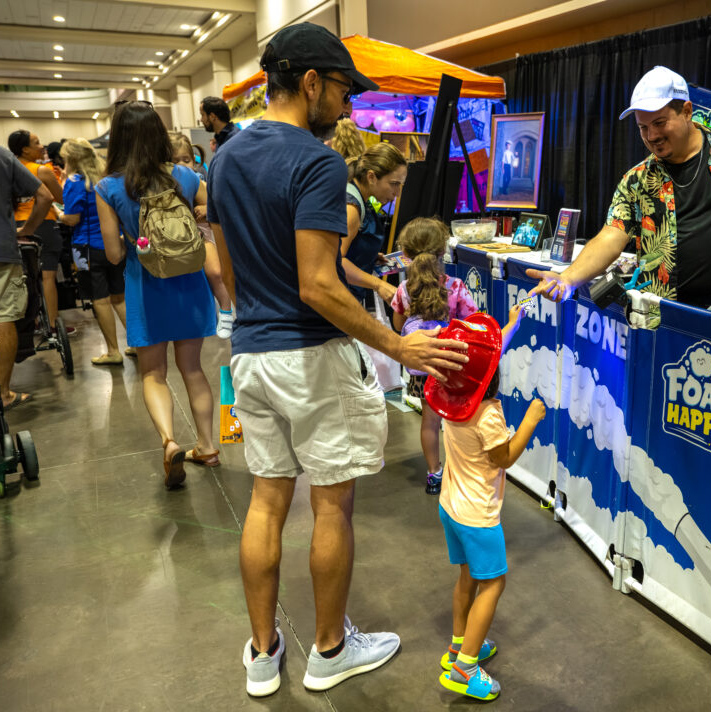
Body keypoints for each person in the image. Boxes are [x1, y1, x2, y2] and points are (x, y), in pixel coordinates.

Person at [204, 22, 469, 698]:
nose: (350, 108)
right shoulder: (318, 163)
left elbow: (223, 265)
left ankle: (264, 655)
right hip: (311, 356)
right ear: (311, 82)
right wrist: (399, 344)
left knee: (266, 500)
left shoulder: (226, 156)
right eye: (345, 90)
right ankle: (328, 648)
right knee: (331, 507)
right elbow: (319, 282)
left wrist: (250, 313)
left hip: (253, 354)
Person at [526, 66, 711, 325]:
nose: (652, 135)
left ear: (687, 111)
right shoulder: (637, 180)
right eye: (643, 128)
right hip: (667, 317)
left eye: (659, 122)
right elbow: (611, 236)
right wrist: (568, 279)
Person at [96, 101, 220, 488]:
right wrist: (198, 217)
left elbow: (115, 255)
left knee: (153, 372)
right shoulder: (184, 175)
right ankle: (207, 445)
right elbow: (212, 209)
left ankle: (169, 441)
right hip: (189, 282)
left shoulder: (109, 187)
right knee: (194, 369)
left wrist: (133, 235)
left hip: (145, 285)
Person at [428, 313, 543, 702]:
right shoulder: (489, 414)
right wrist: (530, 420)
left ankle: (458, 646)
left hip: (451, 507)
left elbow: (479, 358)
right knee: (494, 583)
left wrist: (509, 324)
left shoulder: (452, 400)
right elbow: (505, 457)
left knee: (467, 578)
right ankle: (466, 667)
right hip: (478, 516)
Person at [390, 218, 480, 494]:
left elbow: (397, 325)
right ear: (443, 253)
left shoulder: (404, 290)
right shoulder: (455, 288)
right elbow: (473, 322)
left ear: (406, 255)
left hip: (421, 369)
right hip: (451, 365)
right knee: (457, 420)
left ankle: (434, 474)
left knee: (429, 421)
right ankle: (462, 472)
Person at [0, 139, 53, 408]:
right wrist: (27, 230)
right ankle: (2, 393)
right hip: (0, 247)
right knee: (2, 315)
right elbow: (46, 196)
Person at [59, 138, 130, 364]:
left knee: (100, 300)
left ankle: (112, 351)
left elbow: (72, 218)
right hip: (114, 244)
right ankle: (139, 344)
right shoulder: (107, 178)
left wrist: (58, 214)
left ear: (71, 158)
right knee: (120, 297)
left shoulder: (74, 182)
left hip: (86, 249)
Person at [170, 132, 234, 337]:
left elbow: (219, 203)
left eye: (186, 160)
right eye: (175, 160)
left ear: (194, 160)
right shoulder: (167, 182)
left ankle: (226, 310)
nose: (181, 165)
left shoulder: (197, 179)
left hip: (202, 232)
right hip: (180, 237)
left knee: (215, 272)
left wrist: (207, 208)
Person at [9, 129, 66, 334]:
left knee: (23, 278)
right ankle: (52, 324)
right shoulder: (42, 171)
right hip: (43, 225)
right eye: (36, 143)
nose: (42, 146)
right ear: (25, 149)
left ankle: (27, 325)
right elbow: (60, 198)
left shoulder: (9, 169)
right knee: (48, 277)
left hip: (15, 228)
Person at [343, 142, 406, 305]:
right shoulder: (352, 207)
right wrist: (378, 284)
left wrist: (366, 254)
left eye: (400, 185)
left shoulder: (360, 197)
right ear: (371, 177)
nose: (397, 193)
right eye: (394, 184)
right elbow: (333, 261)